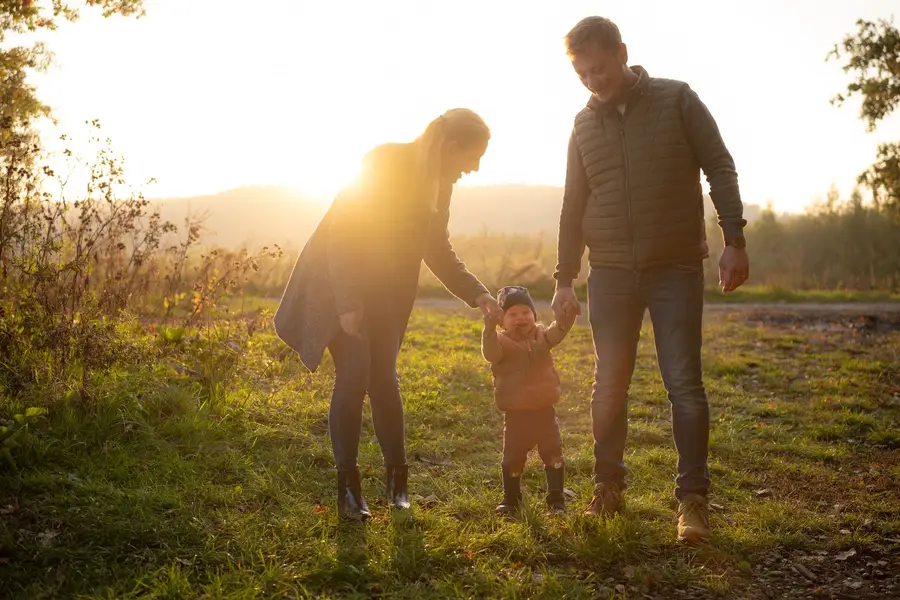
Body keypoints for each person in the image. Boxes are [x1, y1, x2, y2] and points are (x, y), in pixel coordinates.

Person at [551, 16, 750, 543]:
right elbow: (574, 204)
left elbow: (719, 166)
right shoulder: (581, 124)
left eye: (599, 68)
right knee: (607, 384)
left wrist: (734, 239)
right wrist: (565, 278)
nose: (593, 80)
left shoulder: (677, 99)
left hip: (676, 267)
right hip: (610, 272)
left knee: (683, 385)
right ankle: (607, 488)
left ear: (621, 52)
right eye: (582, 73)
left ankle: (692, 503)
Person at [274, 108, 503, 521]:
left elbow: (436, 248)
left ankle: (398, 484)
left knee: (384, 378)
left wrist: (479, 295)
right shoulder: (383, 162)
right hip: (341, 284)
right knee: (354, 373)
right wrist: (347, 303)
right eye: (474, 156)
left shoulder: (439, 184)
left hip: (387, 294)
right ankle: (348, 490)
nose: (475, 167)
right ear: (452, 146)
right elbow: (341, 235)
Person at [481, 286, 576, 515]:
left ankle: (556, 500)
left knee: (553, 454)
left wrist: (566, 318)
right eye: (512, 314)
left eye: (526, 312)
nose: (520, 318)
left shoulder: (542, 335)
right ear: (502, 320)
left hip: (544, 409)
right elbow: (490, 354)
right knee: (513, 457)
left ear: (534, 315)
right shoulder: (501, 342)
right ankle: (511, 499)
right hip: (517, 413)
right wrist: (489, 330)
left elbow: (558, 331)